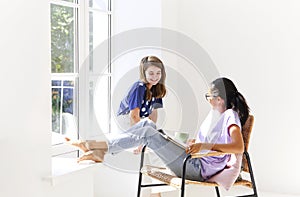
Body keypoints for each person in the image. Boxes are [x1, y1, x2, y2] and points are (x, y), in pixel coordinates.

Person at [67, 77, 249, 186]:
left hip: (195, 169)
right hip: (192, 161)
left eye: (208, 96)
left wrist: (204, 145)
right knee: (148, 125)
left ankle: (97, 147)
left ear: (219, 98)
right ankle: (98, 148)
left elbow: (238, 147)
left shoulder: (230, 116)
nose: (208, 100)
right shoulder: (218, 116)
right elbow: (210, 146)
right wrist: (194, 142)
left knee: (147, 132)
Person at [117, 55, 167, 127]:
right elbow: (133, 116)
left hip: (140, 118)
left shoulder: (156, 88)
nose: (155, 77)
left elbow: (153, 114)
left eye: (158, 73)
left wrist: (152, 129)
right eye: (151, 73)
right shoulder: (139, 88)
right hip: (127, 119)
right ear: (144, 73)